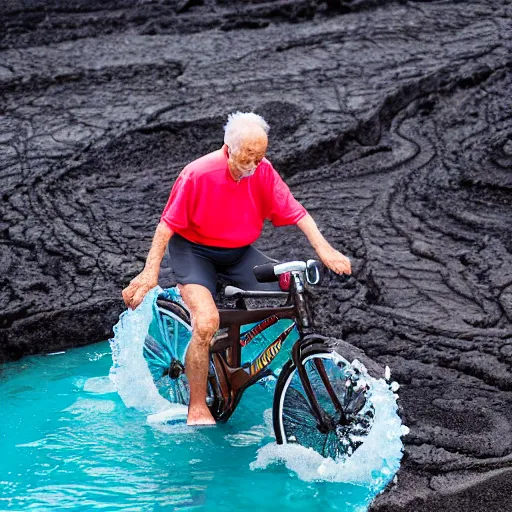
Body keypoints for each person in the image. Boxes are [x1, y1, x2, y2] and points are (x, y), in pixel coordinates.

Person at [122, 111, 351, 425]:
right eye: (248, 158)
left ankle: (247, 360)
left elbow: (297, 212)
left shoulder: (262, 171)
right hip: (194, 252)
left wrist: (326, 251)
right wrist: (150, 273)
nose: (254, 166)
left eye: (259, 158)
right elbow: (166, 227)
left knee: (288, 292)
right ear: (228, 149)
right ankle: (198, 406)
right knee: (206, 324)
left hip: (238, 253)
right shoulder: (197, 174)